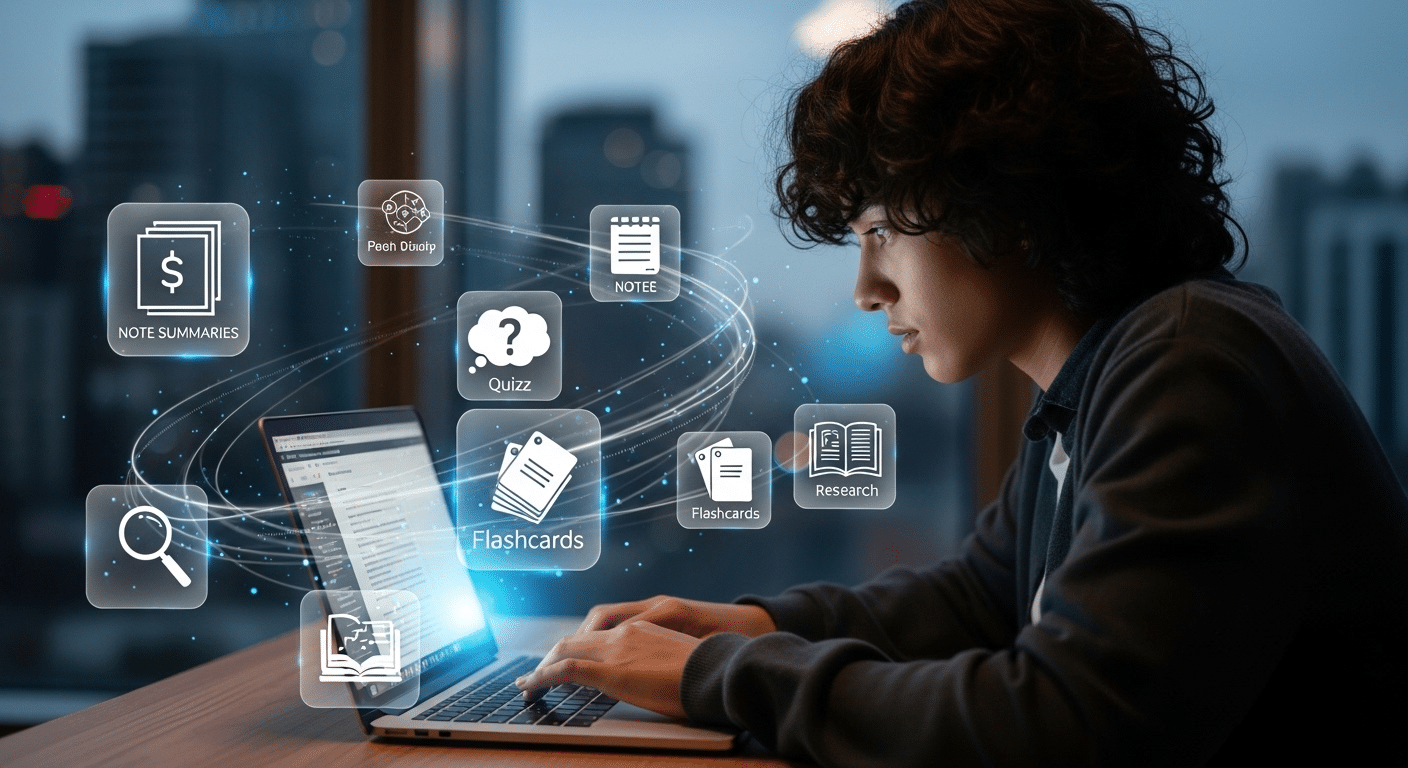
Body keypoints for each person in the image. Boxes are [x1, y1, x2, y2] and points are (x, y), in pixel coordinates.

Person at [515, 0, 1408, 764]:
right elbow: (981, 598)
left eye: (881, 233)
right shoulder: (1113, 370)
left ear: (1005, 200)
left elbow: (1064, 725)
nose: (868, 291)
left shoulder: (1191, 364)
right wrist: (745, 627)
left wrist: (715, 678)